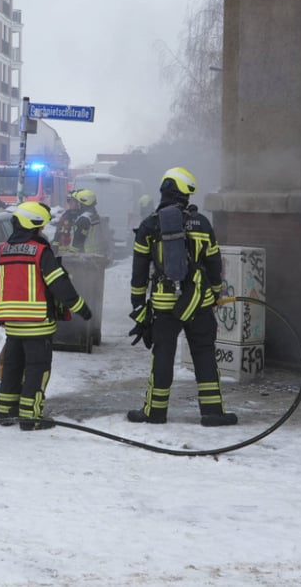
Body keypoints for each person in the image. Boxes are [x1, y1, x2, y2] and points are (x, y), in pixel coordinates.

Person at [127, 167, 238, 427]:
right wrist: (211, 295)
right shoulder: (202, 223)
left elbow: (139, 272)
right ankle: (212, 413)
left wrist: (139, 308)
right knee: (204, 354)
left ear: (166, 189)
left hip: (165, 306)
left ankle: (155, 412)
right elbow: (214, 264)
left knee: (163, 354)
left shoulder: (150, 225)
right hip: (198, 301)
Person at [0, 202, 92, 430]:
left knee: (13, 367)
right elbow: (59, 284)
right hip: (37, 325)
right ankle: (31, 417)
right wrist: (80, 308)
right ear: (34, 225)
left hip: (13, 326)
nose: (42, 232)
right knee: (37, 369)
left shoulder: (4, 251)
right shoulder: (40, 251)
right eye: (41, 227)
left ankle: (6, 412)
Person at [71, 189, 105, 255]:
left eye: (78, 202)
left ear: (83, 204)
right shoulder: (95, 216)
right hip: (97, 253)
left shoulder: (83, 219)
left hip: (85, 256)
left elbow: (78, 241)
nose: (77, 205)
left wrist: (71, 254)